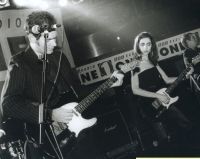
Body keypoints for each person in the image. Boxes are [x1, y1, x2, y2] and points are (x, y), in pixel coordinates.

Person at [0, 11, 124, 159]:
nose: (55, 43)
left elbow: (78, 93)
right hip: (49, 142)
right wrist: (49, 113)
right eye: (49, 40)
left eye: (55, 38)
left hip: (80, 134)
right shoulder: (20, 63)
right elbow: (8, 104)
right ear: (33, 37)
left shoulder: (59, 57)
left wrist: (109, 84)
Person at [130, 32, 192, 146]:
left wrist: (185, 76)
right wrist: (158, 96)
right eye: (142, 44)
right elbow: (135, 89)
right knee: (164, 139)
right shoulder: (135, 65)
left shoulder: (154, 62)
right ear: (137, 46)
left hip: (164, 101)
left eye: (148, 44)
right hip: (149, 106)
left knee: (185, 124)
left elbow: (167, 79)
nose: (146, 47)